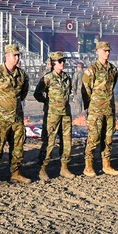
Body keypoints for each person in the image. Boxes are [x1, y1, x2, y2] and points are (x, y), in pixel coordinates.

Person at [0, 44, 31, 185]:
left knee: (18, 148)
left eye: (18, 55)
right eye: (14, 55)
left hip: (16, 118)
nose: (17, 58)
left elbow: (23, 93)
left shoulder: (21, 75)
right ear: (7, 56)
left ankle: (16, 173)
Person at [33, 51, 75, 180]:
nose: (63, 63)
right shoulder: (48, 78)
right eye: (60, 61)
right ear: (53, 63)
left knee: (67, 142)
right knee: (49, 142)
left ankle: (64, 167)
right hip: (52, 114)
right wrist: (46, 102)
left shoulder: (67, 77)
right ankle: (43, 168)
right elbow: (37, 93)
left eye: (64, 61)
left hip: (65, 114)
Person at [81, 41, 118, 177]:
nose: (107, 53)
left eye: (108, 51)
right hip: (96, 110)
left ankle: (107, 165)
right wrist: (90, 106)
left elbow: (112, 86)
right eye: (104, 51)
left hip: (109, 110)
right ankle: (88, 166)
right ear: (97, 51)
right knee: (94, 138)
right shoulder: (91, 70)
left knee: (108, 138)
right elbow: (86, 90)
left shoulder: (113, 70)